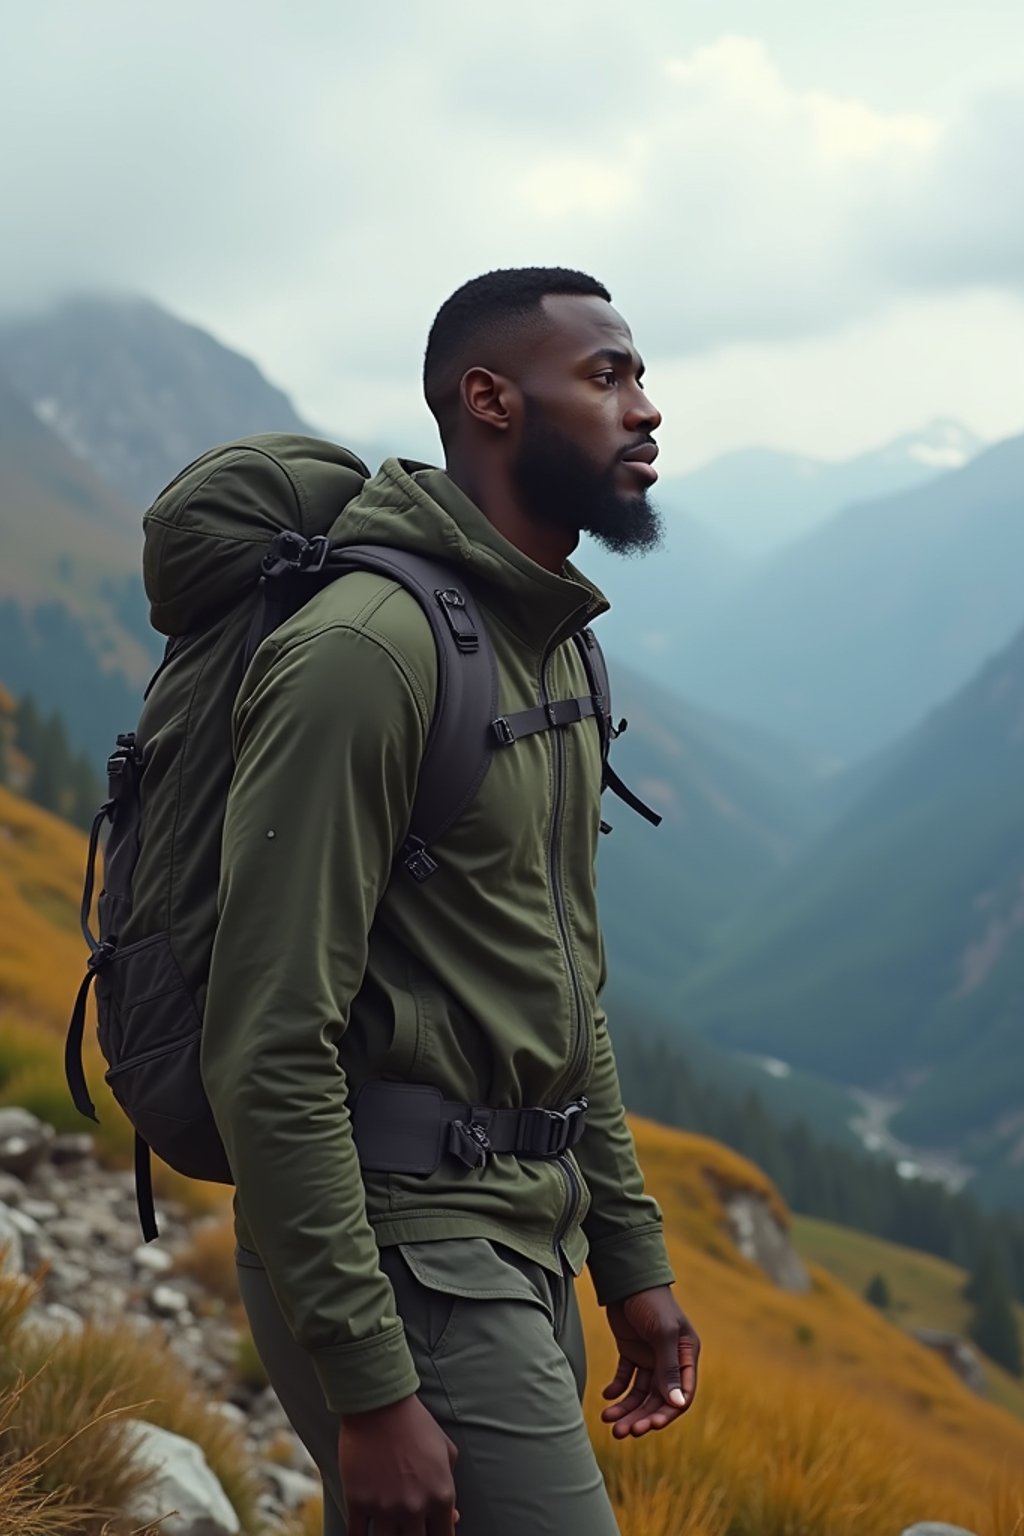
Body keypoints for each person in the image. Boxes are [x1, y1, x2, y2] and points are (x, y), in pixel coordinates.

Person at [201, 266, 701, 1536]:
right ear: (489, 399)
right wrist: (369, 1386)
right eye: (606, 376)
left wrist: (630, 1261)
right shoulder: (366, 655)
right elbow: (267, 1042)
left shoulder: (549, 640)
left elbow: (558, 981)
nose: (645, 409)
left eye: (638, 375)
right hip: (401, 1248)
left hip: (522, 1239)